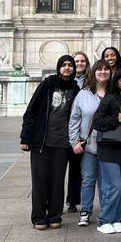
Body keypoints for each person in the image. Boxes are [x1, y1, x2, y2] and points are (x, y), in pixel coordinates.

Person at [19, 55, 79, 230]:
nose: (67, 68)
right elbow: (31, 110)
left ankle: (54, 215)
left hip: (62, 142)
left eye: (70, 65)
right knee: (40, 180)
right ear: (59, 67)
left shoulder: (75, 89)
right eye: (64, 65)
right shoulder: (48, 84)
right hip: (42, 141)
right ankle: (38, 216)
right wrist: (25, 137)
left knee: (57, 180)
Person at [92, 67, 121, 234]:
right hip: (110, 150)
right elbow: (96, 122)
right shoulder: (110, 99)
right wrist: (115, 119)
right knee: (114, 187)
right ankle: (104, 220)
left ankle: (117, 219)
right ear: (116, 83)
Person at [69, 58, 111, 227]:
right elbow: (74, 119)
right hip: (89, 145)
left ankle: (106, 211)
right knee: (88, 179)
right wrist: (74, 142)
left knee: (106, 180)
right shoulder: (84, 94)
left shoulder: (114, 93)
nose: (103, 72)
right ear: (93, 72)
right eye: (99, 69)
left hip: (109, 144)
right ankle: (85, 211)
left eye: (106, 69)